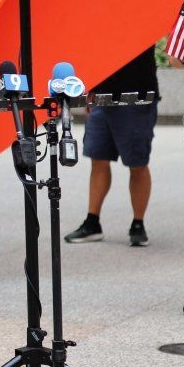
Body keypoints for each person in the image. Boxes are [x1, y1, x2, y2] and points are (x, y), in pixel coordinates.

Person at [64, 47, 159, 247]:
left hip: (136, 97)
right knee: (98, 158)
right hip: (101, 98)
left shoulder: (142, 21)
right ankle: (92, 222)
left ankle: (138, 223)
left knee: (137, 163)